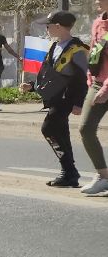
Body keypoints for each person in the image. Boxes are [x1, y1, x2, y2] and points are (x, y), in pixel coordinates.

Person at [36, 10, 92, 189]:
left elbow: (84, 77)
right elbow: (49, 72)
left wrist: (79, 103)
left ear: (58, 26)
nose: (46, 28)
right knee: (61, 133)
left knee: (48, 128)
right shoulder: (54, 46)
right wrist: (31, 85)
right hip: (55, 97)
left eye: (48, 25)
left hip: (67, 98)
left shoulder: (77, 49)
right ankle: (69, 174)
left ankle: (69, 171)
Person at [79, 0, 108, 196]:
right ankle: (103, 176)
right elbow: (94, 51)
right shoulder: (98, 23)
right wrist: (90, 78)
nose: (97, 0)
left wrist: (106, 89)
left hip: (106, 86)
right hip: (97, 83)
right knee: (86, 128)